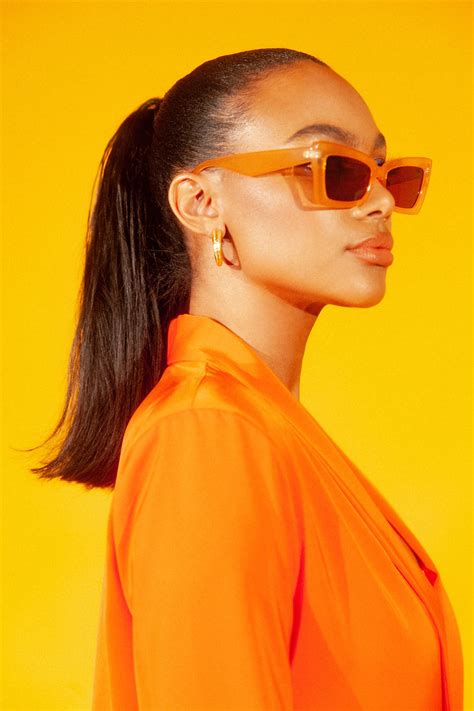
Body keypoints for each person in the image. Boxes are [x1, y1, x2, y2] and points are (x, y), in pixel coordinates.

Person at [32, 48, 463, 710]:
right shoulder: (207, 433)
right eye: (336, 170)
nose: (380, 200)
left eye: (388, 174)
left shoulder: (267, 430)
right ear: (201, 202)